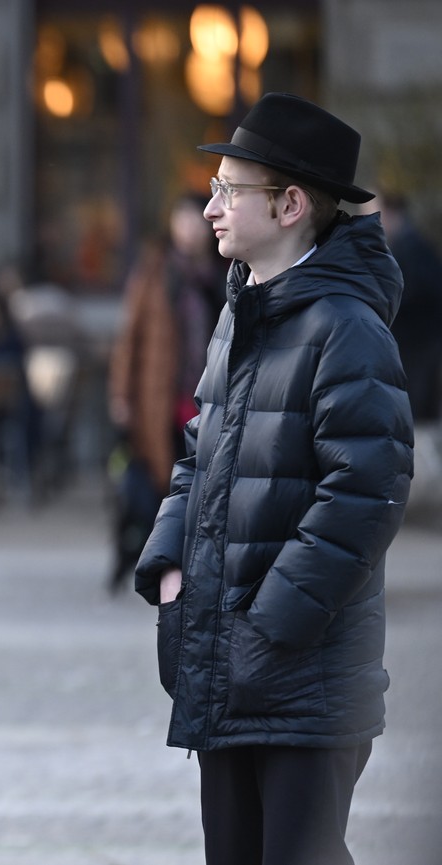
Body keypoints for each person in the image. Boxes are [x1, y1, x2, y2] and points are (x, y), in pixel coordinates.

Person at [136, 92, 413, 865]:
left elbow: (367, 490)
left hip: (304, 682)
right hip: (230, 671)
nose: (211, 206)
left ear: (291, 205)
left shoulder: (345, 325)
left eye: (231, 189)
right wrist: (169, 571)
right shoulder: (245, 310)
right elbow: (199, 450)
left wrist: (267, 624)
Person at [106, 193, 223, 592]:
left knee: (203, 483)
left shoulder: (222, 274)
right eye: (182, 220)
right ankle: (153, 563)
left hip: (207, 396)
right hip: (161, 397)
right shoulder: (155, 270)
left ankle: (192, 564)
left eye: (196, 221)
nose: (190, 229)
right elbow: (129, 338)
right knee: (162, 480)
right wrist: (121, 397)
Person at [374, 189, 442, 422]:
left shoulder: (411, 249)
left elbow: (415, 296)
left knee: (416, 420)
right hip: (416, 348)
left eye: (377, 213)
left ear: (393, 212)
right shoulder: (408, 246)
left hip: (417, 349)